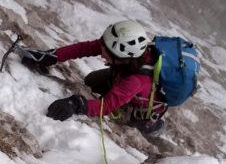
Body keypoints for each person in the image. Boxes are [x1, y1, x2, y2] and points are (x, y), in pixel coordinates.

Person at [21, 20, 167, 135]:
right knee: (92, 80)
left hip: (143, 105)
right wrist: (50, 56)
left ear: (121, 57)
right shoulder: (122, 51)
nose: (101, 53)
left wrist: (78, 104)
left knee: (132, 120)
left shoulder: (136, 81)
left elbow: (107, 106)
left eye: (106, 53)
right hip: (125, 78)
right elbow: (83, 48)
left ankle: (153, 125)